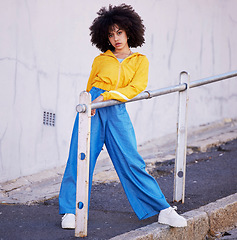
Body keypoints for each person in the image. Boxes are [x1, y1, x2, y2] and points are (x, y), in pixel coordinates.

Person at [59, 4, 187, 229]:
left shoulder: (140, 61)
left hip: (116, 109)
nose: (116, 38)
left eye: (119, 32)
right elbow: (90, 88)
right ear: (105, 37)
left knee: (132, 161)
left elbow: (135, 87)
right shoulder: (101, 60)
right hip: (95, 108)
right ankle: (71, 210)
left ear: (129, 31)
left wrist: (106, 97)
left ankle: (163, 209)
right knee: (80, 158)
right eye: (110, 34)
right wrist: (91, 101)